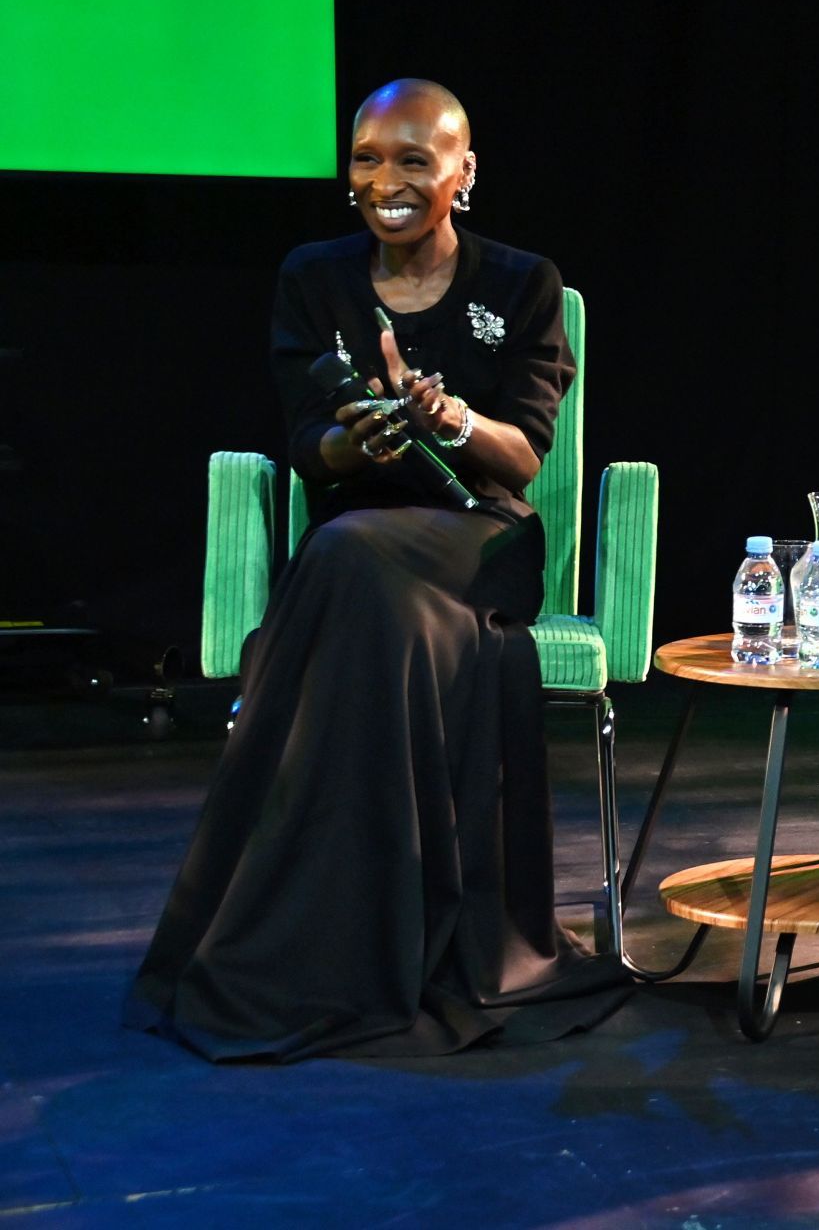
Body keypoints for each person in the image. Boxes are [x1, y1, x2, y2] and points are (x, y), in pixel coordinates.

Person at [124, 79, 630, 1060]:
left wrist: (446, 419)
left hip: (481, 538)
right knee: (357, 566)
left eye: (413, 160)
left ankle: (352, 922)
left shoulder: (522, 282)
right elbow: (308, 445)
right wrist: (363, 436)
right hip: (360, 533)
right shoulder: (312, 278)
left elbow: (526, 455)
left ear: (462, 174)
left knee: (344, 556)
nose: (385, 180)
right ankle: (360, 929)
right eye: (366, 158)